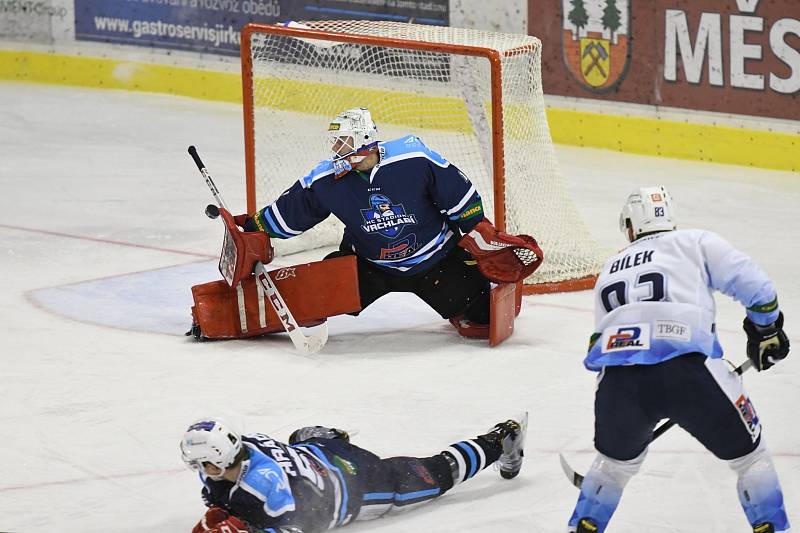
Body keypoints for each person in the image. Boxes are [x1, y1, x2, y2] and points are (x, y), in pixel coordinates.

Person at [567, 186, 791, 533]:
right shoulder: (694, 241)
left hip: (618, 382)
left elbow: (604, 344)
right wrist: (766, 330)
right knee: (751, 459)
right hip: (690, 370)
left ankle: (584, 524)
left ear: (630, 226)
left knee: (613, 467)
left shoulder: (610, 267)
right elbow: (758, 289)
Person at [236, 107, 542, 339]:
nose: (337, 150)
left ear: (366, 139)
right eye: (336, 142)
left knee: (482, 320)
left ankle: (471, 295)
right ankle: (233, 314)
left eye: (344, 142)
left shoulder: (414, 158)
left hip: (436, 261)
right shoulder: (326, 179)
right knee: (310, 297)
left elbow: (459, 196)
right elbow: (292, 211)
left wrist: (480, 232)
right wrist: (253, 226)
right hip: (368, 265)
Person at [180, 414, 528, 533]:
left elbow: (300, 525)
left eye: (200, 464)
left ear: (214, 460)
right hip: (318, 453)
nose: (200, 471)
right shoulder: (245, 445)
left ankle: (501, 438)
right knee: (300, 440)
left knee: (434, 475)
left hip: (358, 482)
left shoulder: (265, 483)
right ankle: (327, 437)